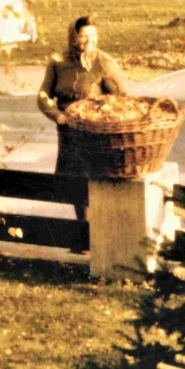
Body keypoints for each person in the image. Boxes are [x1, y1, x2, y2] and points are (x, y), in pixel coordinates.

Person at [38, 15, 126, 250]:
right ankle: (82, 235)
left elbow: (122, 99)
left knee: (96, 182)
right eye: (84, 36)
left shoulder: (105, 63)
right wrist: (58, 115)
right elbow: (43, 97)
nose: (90, 41)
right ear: (73, 37)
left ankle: (99, 237)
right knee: (73, 184)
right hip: (68, 131)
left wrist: (100, 112)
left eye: (93, 36)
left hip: (93, 132)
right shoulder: (57, 62)